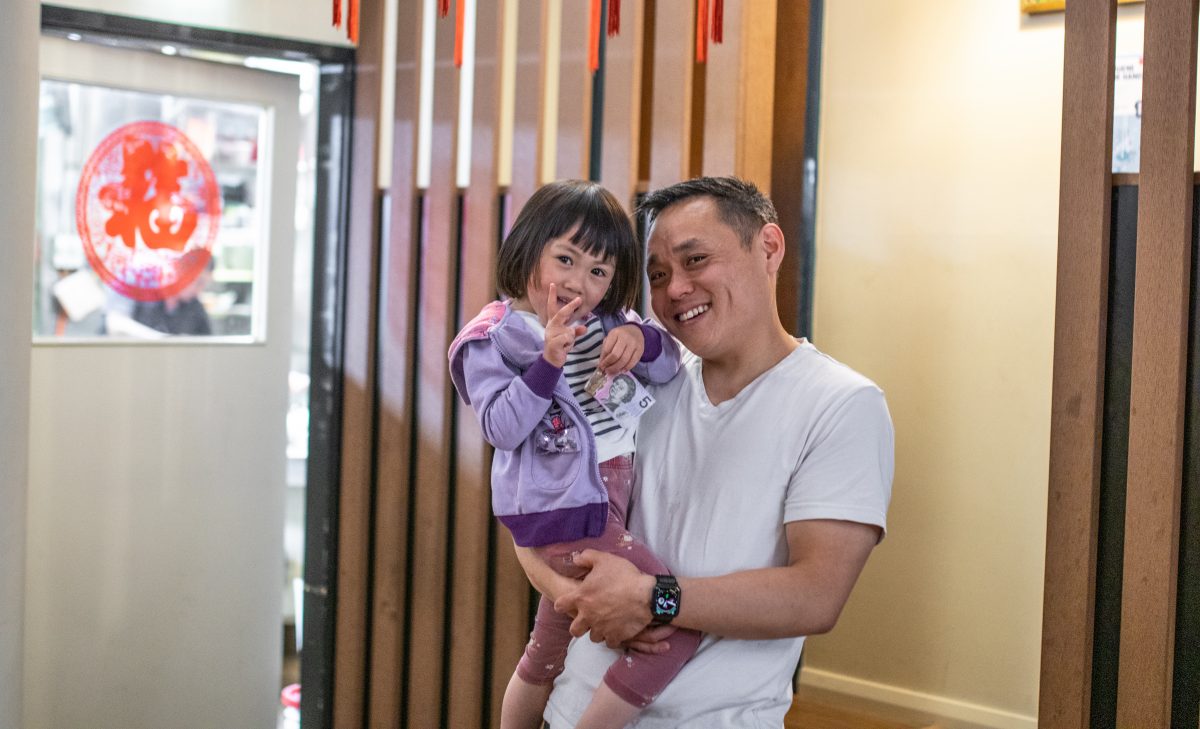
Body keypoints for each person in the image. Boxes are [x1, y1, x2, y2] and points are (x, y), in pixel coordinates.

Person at [518, 176, 894, 728]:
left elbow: (817, 595)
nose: (675, 290)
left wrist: (652, 598)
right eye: (658, 275)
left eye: (696, 260)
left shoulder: (841, 404)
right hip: (572, 710)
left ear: (768, 247)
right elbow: (534, 513)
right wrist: (567, 592)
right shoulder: (631, 382)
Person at [447, 180, 702, 729]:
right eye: (565, 258)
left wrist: (645, 342)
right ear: (530, 246)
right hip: (566, 510)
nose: (577, 283)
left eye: (598, 272)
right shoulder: (491, 339)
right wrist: (546, 363)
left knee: (546, 650)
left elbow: (668, 369)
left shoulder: (609, 321)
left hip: (605, 500)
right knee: (673, 618)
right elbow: (501, 428)